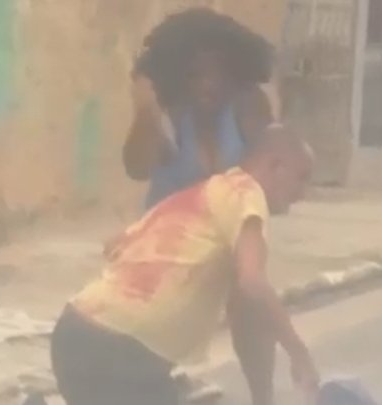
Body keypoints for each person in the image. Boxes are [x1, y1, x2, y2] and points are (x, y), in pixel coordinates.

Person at [51, 126, 319, 405]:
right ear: (275, 165)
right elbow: (253, 282)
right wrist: (299, 354)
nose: (303, 193)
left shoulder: (208, 198)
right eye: (302, 178)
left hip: (77, 335)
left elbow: (247, 320)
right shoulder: (246, 193)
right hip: (117, 349)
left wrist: (263, 400)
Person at [124, 8, 275, 209]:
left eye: (217, 71)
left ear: (234, 71)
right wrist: (145, 109)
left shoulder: (248, 107)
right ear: (177, 77)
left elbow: (273, 175)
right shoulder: (171, 117)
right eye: (194, 74)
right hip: (168, 226)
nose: (207, 84)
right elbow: (137, 170)